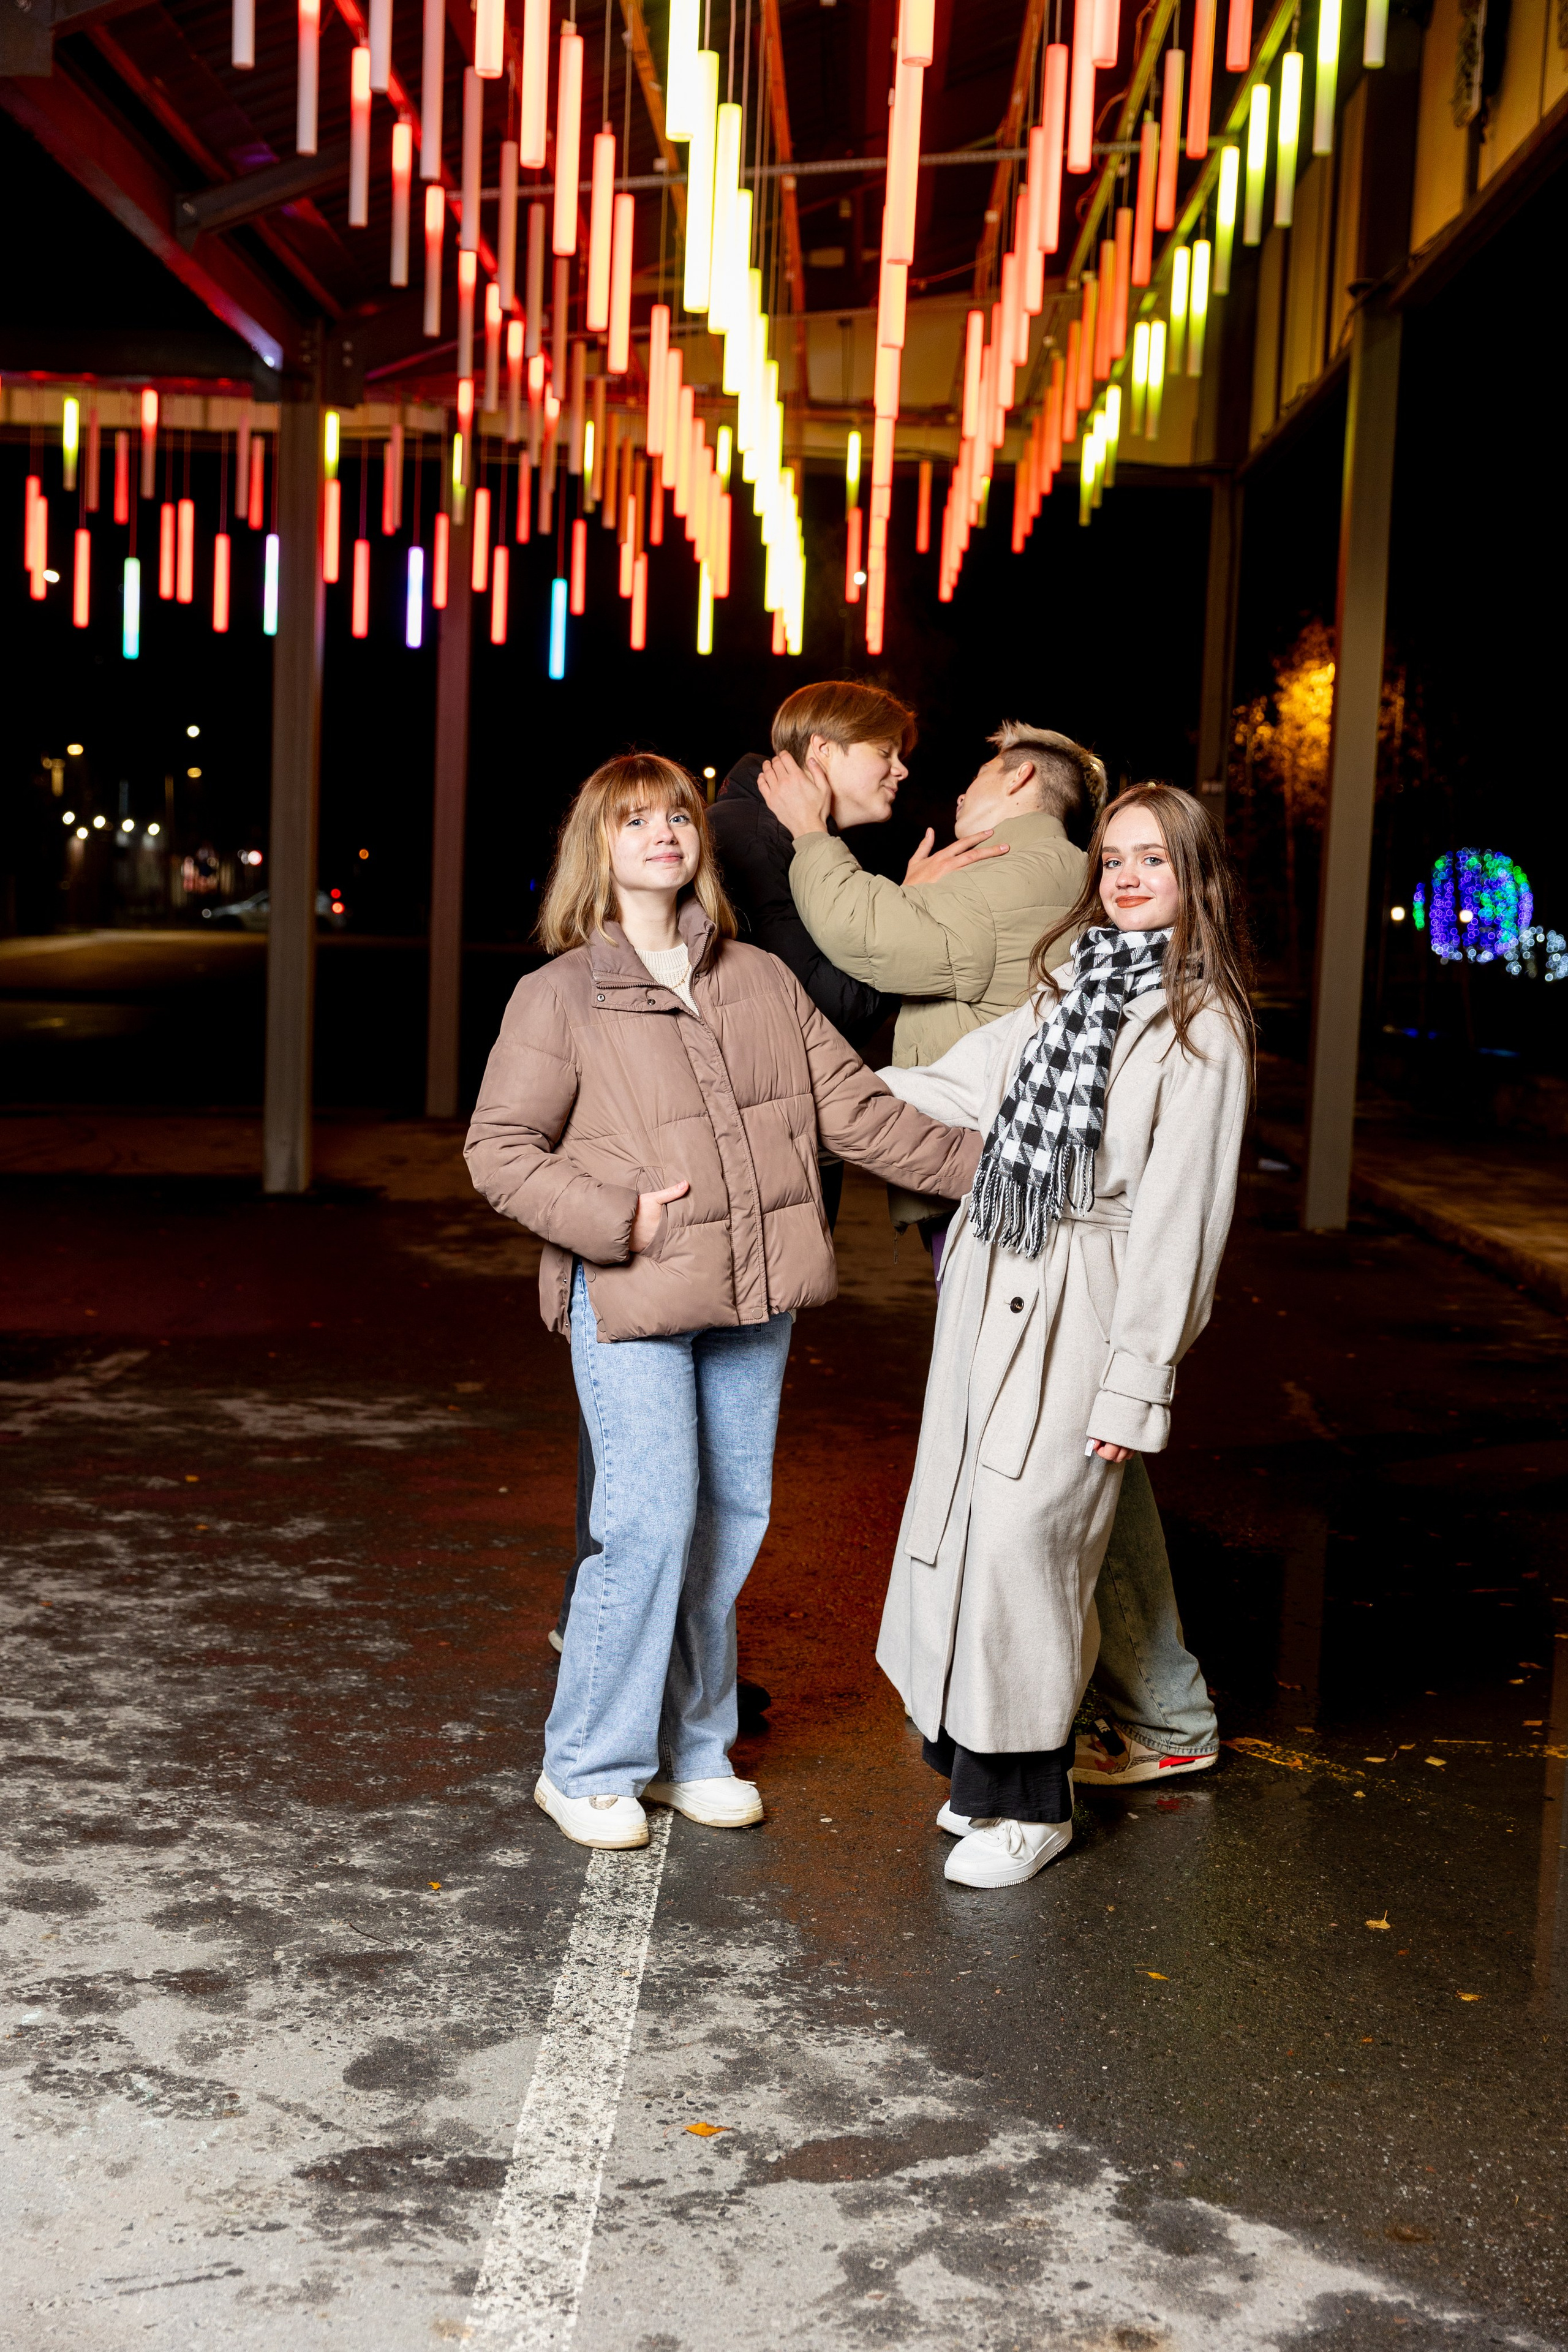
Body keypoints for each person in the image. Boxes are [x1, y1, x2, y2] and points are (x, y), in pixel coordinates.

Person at [464, 753, 981, 1853]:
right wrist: (618, 1221)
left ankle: (697, 1750)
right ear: (597, 848)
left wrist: (998, 1166)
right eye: (636, 821)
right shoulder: (558, 994)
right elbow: (499, 1151)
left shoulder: (760, 980)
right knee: (648, 1521)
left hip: (755, 1295)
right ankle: (588, 1765)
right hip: (634, 1293)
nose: (665, 835)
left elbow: (860, 1115)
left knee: (727, 1527)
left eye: (678, 818)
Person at [873, 785, 1254, 1889]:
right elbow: (953, 1089)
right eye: (1114, 859)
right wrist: (805, 1089)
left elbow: (1182, 1224)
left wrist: (1138, 1385)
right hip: (998, 1272)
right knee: (966, 1518)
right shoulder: (1064, 987)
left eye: (1155, 860)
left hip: (1089, 1299)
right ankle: (976, 1774)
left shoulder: (1201, 1027)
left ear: (1198, 879)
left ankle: (1030, 1804)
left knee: (1026, 1543)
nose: (1128, 878)